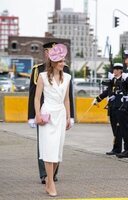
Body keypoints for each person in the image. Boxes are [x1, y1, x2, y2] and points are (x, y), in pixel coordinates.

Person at [28, 41, 74, 184]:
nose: (53, 54)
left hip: (59, 112)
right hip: (44, 113)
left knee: (57, 145)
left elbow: (68, 96)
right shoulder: (38, 70)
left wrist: (70, 115)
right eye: (50, 51)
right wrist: (33, 115)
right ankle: (44, 175)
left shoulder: (65, 70)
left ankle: (52, 175)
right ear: (46, 53)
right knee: (45, 145)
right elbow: (33, 95)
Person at [93, 63, 128, 158]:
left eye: (116, 69)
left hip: (121, 107)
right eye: (114, 69)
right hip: (113, 107)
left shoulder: (124, 79)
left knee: (123, 129)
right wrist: (98, 98)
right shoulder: (113, 80)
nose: (114, 71)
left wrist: (126, 80)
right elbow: (108, 91)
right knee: (115, 129)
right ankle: (116, 148)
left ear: (120, 70)